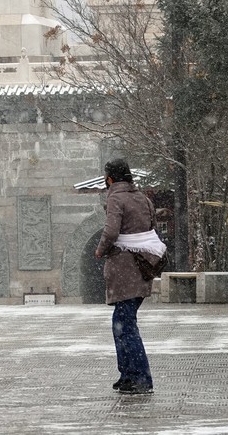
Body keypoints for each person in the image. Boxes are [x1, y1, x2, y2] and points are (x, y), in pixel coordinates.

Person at [94, 159, 165, 395]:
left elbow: (112, 231)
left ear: (110, 179)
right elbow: (151, 228)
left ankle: (141, 377)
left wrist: (101, 249)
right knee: (121, 323)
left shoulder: (115, 198)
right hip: (142, 267)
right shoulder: (143, 198)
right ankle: (127, 375)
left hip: (125, 269)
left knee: (126, 325)